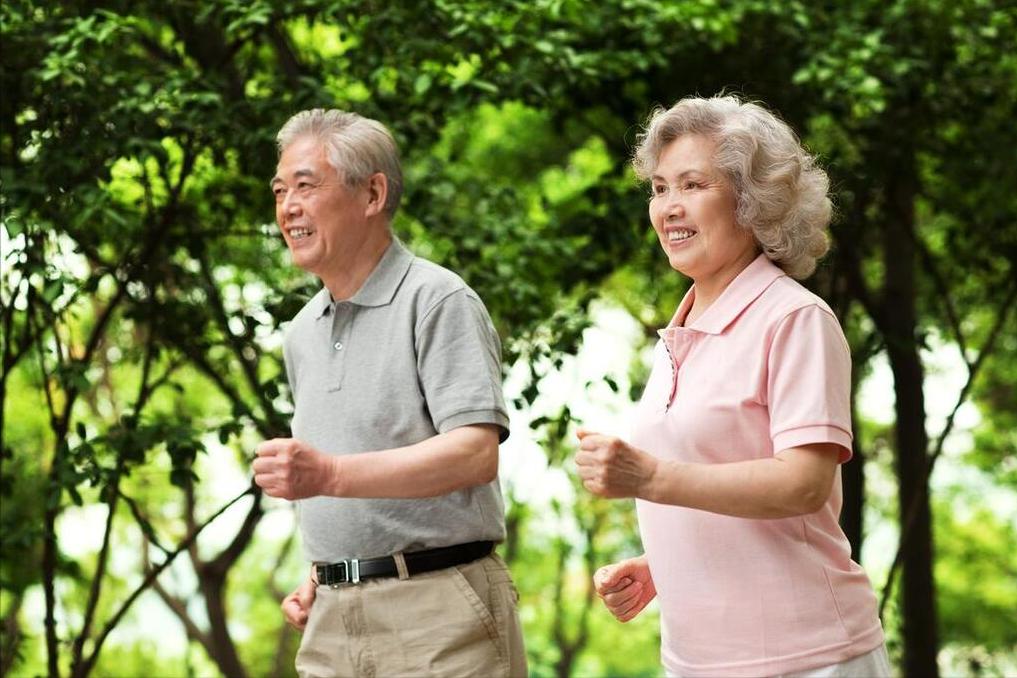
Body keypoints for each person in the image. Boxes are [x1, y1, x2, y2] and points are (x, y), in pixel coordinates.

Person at [574, 95, 889, 677]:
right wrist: (662, 565)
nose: (669, 207)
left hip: (807, 659)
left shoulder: (793, 318)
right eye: (659, 188)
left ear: (752, 203)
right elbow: (725, 476)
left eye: (692, 185)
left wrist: (648, 478)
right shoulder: (682, 326)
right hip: (695, 661)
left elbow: (802, 485)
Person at [253, 109, 526, 678]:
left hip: (440, 613)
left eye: (306, 186)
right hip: (331, 620)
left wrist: (326, 475)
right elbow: (356, 462)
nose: (288, 208)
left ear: (373, 193)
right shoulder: (301, 332)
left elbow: (475, 453)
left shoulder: (438, 300)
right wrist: (321, 574)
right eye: (280, 191)